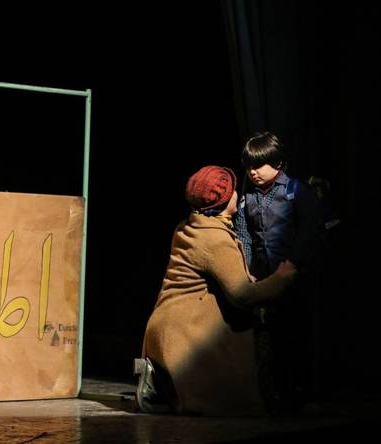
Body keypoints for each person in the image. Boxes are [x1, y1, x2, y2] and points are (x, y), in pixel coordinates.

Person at [137, 165, 296, 416]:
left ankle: (163, 384)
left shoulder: (189, 226)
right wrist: (281, 278)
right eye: (232, 191)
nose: (237, 194)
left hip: (165, 326)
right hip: (187, 331)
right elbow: (241, 295)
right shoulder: (214, 239)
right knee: (254, 342)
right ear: (223, 200)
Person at [234, 132, 323, 410]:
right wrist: (247, 269)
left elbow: (310, 230)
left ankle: (301, 393)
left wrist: (293, 262)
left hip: (295, 278)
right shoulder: (248, 197)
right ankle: (274, 394)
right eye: (249, 165)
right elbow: (244, 234)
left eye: (259, 165)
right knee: (268, 337)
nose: (253, 171)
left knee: (298, 334)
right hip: (264, 281)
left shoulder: (296, 191)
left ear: (278, 163)